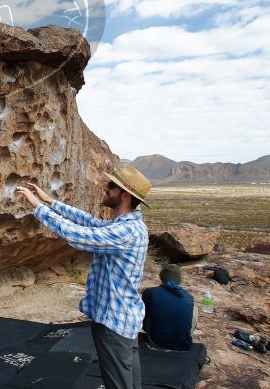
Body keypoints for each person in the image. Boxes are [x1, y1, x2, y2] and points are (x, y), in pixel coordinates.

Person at [17, 165, 151, 389]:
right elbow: (89, 221)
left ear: (125, 196)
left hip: (114, 322)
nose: (104, 188)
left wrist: (38, 206)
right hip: (123, 318)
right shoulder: (125, 226)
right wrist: (51, 201)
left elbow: (79, 235)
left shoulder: (127, 231)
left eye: (111, 186)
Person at [141, 263, 197, 351]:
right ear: (179, 279)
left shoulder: (150, 292)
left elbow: (142, 317)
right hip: (183, 345)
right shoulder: (188, 296)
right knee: (192, 308)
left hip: (156, 342)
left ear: (162, 277)